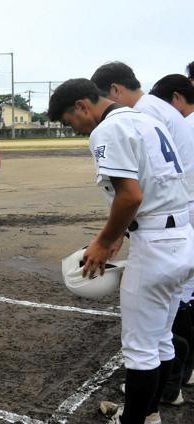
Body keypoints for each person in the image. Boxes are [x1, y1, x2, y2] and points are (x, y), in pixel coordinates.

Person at [49, 78, 194, 424]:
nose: (75, 129)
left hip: (155, 247)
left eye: (71, 121)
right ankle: (151, 415)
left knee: (140, 352)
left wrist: (103, 240)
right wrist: (119, 234)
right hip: (182, 237)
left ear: (83, 106)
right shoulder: (148, 119)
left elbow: (130, 196)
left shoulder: (108, 129)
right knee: (160, 341)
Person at [149, 73, 194, 392]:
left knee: (177, 297)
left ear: (177, 97)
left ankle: (172, 382)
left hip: (184, 213)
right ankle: (185, 373)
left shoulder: (186, 124)